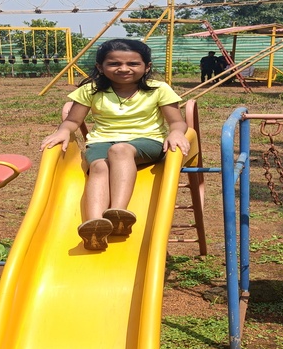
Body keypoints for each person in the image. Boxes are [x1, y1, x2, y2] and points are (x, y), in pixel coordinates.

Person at [40, 38, 190, 251]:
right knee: (99, 167)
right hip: (102, 141)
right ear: (100, 67)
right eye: (114, 64)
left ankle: (118, 213)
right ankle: (94, 225)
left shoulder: (158, 89)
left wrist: (176, 133)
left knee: (120, 150)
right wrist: (63, 131)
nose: (123, 69)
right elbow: (73, 121)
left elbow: (176, 121)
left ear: (146, 67)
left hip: (147, 141)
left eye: (132, 64)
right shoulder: (91, 90)